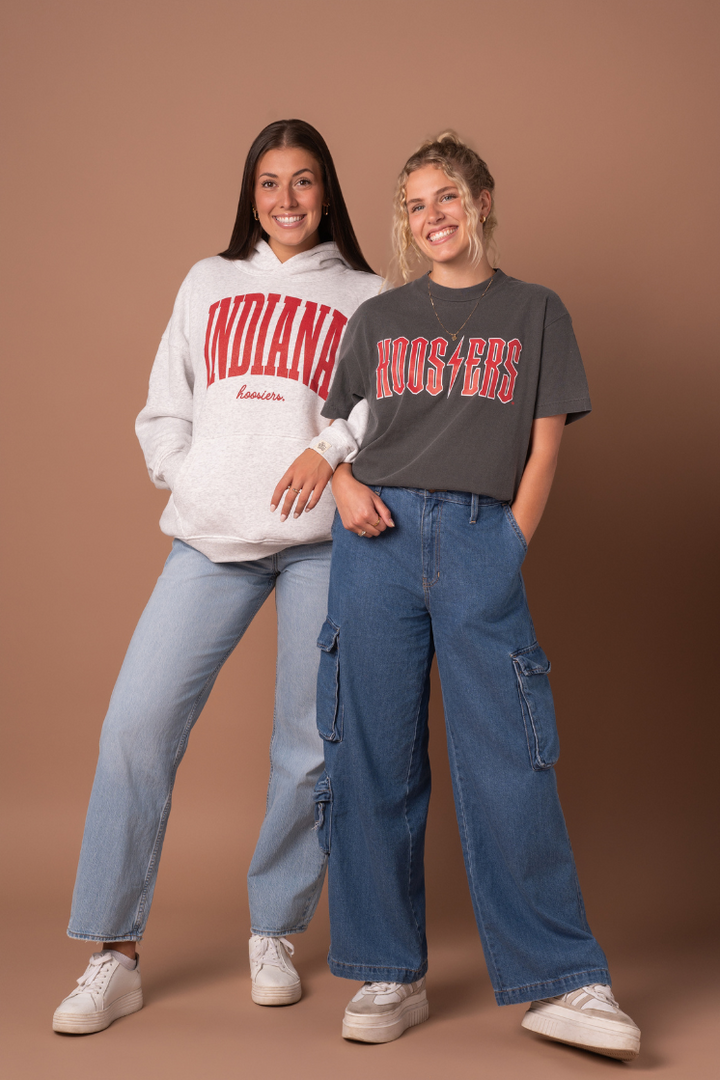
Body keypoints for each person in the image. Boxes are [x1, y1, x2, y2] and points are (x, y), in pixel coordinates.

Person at [306, 131, 641, 1060]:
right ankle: (386, 967)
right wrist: (342, 489)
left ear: (482, 201)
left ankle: (564, 978)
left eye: (447, 196)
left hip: (480, 537)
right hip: (375, 541)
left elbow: (543, 444)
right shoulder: (380, 317)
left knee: (510, 754)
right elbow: (335, 431)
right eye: (415, 205)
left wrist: (511, 545)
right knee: (371, 752)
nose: (432, 217)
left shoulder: (536, 311)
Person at [52, 119, 382, 1035]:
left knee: (309, 742)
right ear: (250, 194)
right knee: (136, 724)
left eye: (304, 182)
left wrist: (326, 449)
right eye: (270, 183)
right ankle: (111, 953)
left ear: (328, 192)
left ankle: (274, 929)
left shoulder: (366, 295)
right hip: (208, 540)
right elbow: (166, 405)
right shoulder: (208, 281)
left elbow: (379, 410)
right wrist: (189, 476)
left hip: (323, 542)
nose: (286, 200)